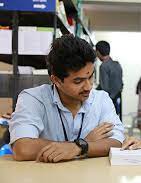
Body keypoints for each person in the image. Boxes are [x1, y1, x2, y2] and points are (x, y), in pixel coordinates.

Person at [9, 35, 125, 163]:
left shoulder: (101, 99)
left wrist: (78, 147)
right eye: (78, 81)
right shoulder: (33, 99)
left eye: (91, 77)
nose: (88, 87)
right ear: (56, 80)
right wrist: (83, 143)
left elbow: (116, 142)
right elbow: (23, 148)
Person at [95, 41, 123, 119]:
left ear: (98, 52)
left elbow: (104, 88)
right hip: (117, 97)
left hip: (108, 100)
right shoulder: (117, 64)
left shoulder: (103, 66)